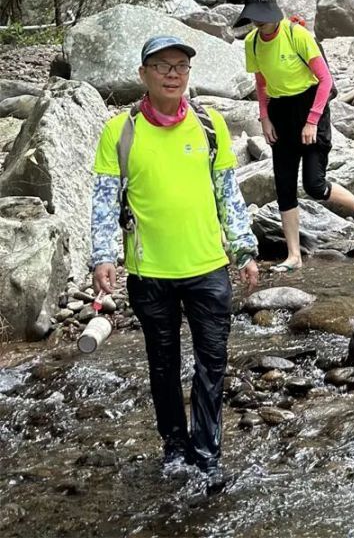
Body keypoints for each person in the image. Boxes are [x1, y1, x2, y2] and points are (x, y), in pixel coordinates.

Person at [90, 35, 260, 488]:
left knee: (212, 363)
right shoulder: (119, 131)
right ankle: (174, 446)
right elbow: (105, 202)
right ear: (143, 74)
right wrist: (103, 256)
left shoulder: (209, 125)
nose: (172, 73)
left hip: (208, 267)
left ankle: (206, 454)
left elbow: (228, 191)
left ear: (188, 74)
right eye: (162, 65)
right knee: (163, 365)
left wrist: (243, 248)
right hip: (150, 274)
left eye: (181, 65)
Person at [235, 0, 354, 271]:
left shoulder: (296, 35)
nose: (260, 23)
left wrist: (312, 120)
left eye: (263, 16)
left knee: (314, 184)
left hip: (311, 105)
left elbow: (325, 81)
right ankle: (294, 256)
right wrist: (264, 118)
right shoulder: (252, 43)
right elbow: (262, 84)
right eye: (255, 18)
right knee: (284, 187)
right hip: (280, 112)